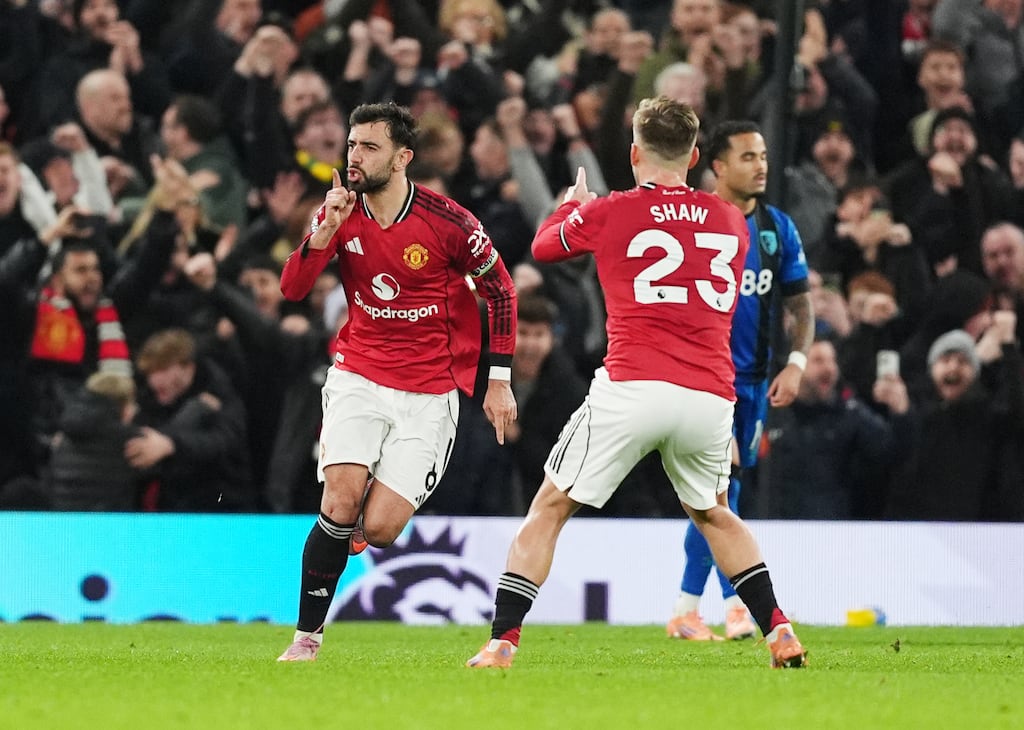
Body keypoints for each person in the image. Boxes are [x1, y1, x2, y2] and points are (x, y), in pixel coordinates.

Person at [467, 96, 806, 670]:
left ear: (633, 155)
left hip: (632, 385)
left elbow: (545, 247)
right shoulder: (729, 218)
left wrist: (569, 206)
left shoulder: (613, 211)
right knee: (716, 513)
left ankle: (502, 642)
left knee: (549, 508)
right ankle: (780, 631)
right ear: (697, 156)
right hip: (709, 395)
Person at [275, 102, 517, 662]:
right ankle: (305, 639)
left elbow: (501, 291)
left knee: (381, 529)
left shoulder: (451, 222)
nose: (355, 157)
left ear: (403, 157)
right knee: (339, 498)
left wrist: (497, 381)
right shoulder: (339, 211)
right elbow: (292, 290)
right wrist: (322, 234)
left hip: (429, 394)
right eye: (352, 145)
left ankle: (361, 526)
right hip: (358, 374)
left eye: (370, 147)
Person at [667, 120, 812, 642]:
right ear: (718, 166)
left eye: (763, 155)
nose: (761, 165)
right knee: (718, 490)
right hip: (704, 378)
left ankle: (706, 607)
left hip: (753, 382)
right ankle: (713, 607)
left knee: (727, 491)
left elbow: (801, 305)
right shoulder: (694, 224)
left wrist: (795, 362)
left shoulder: (777, 229)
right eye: (748, 156)